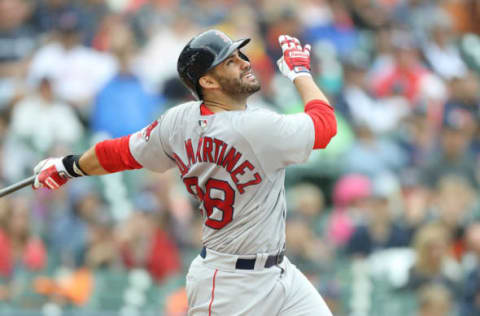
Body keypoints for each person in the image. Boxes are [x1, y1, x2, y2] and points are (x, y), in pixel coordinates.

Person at [32, 29, 337, 315]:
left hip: (277, 273)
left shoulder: (179, 121)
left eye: (240, 56)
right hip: (231, 286)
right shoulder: (254, 128)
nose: (244, 63)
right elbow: (325, 127)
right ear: (208, 82)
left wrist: (67, 166)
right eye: (230, 62)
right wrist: (300, 73)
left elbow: (120, 153)